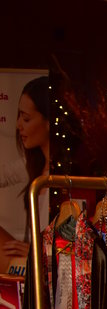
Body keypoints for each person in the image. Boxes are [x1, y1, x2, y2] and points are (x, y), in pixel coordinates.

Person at [0, 75, 50, 272]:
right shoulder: (31, 164)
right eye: (19, 117)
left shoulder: (65, 174)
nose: (18, 125)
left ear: (48, 122)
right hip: (29, 262)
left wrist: (37, 252)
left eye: (26, 118)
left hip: (45, 267)